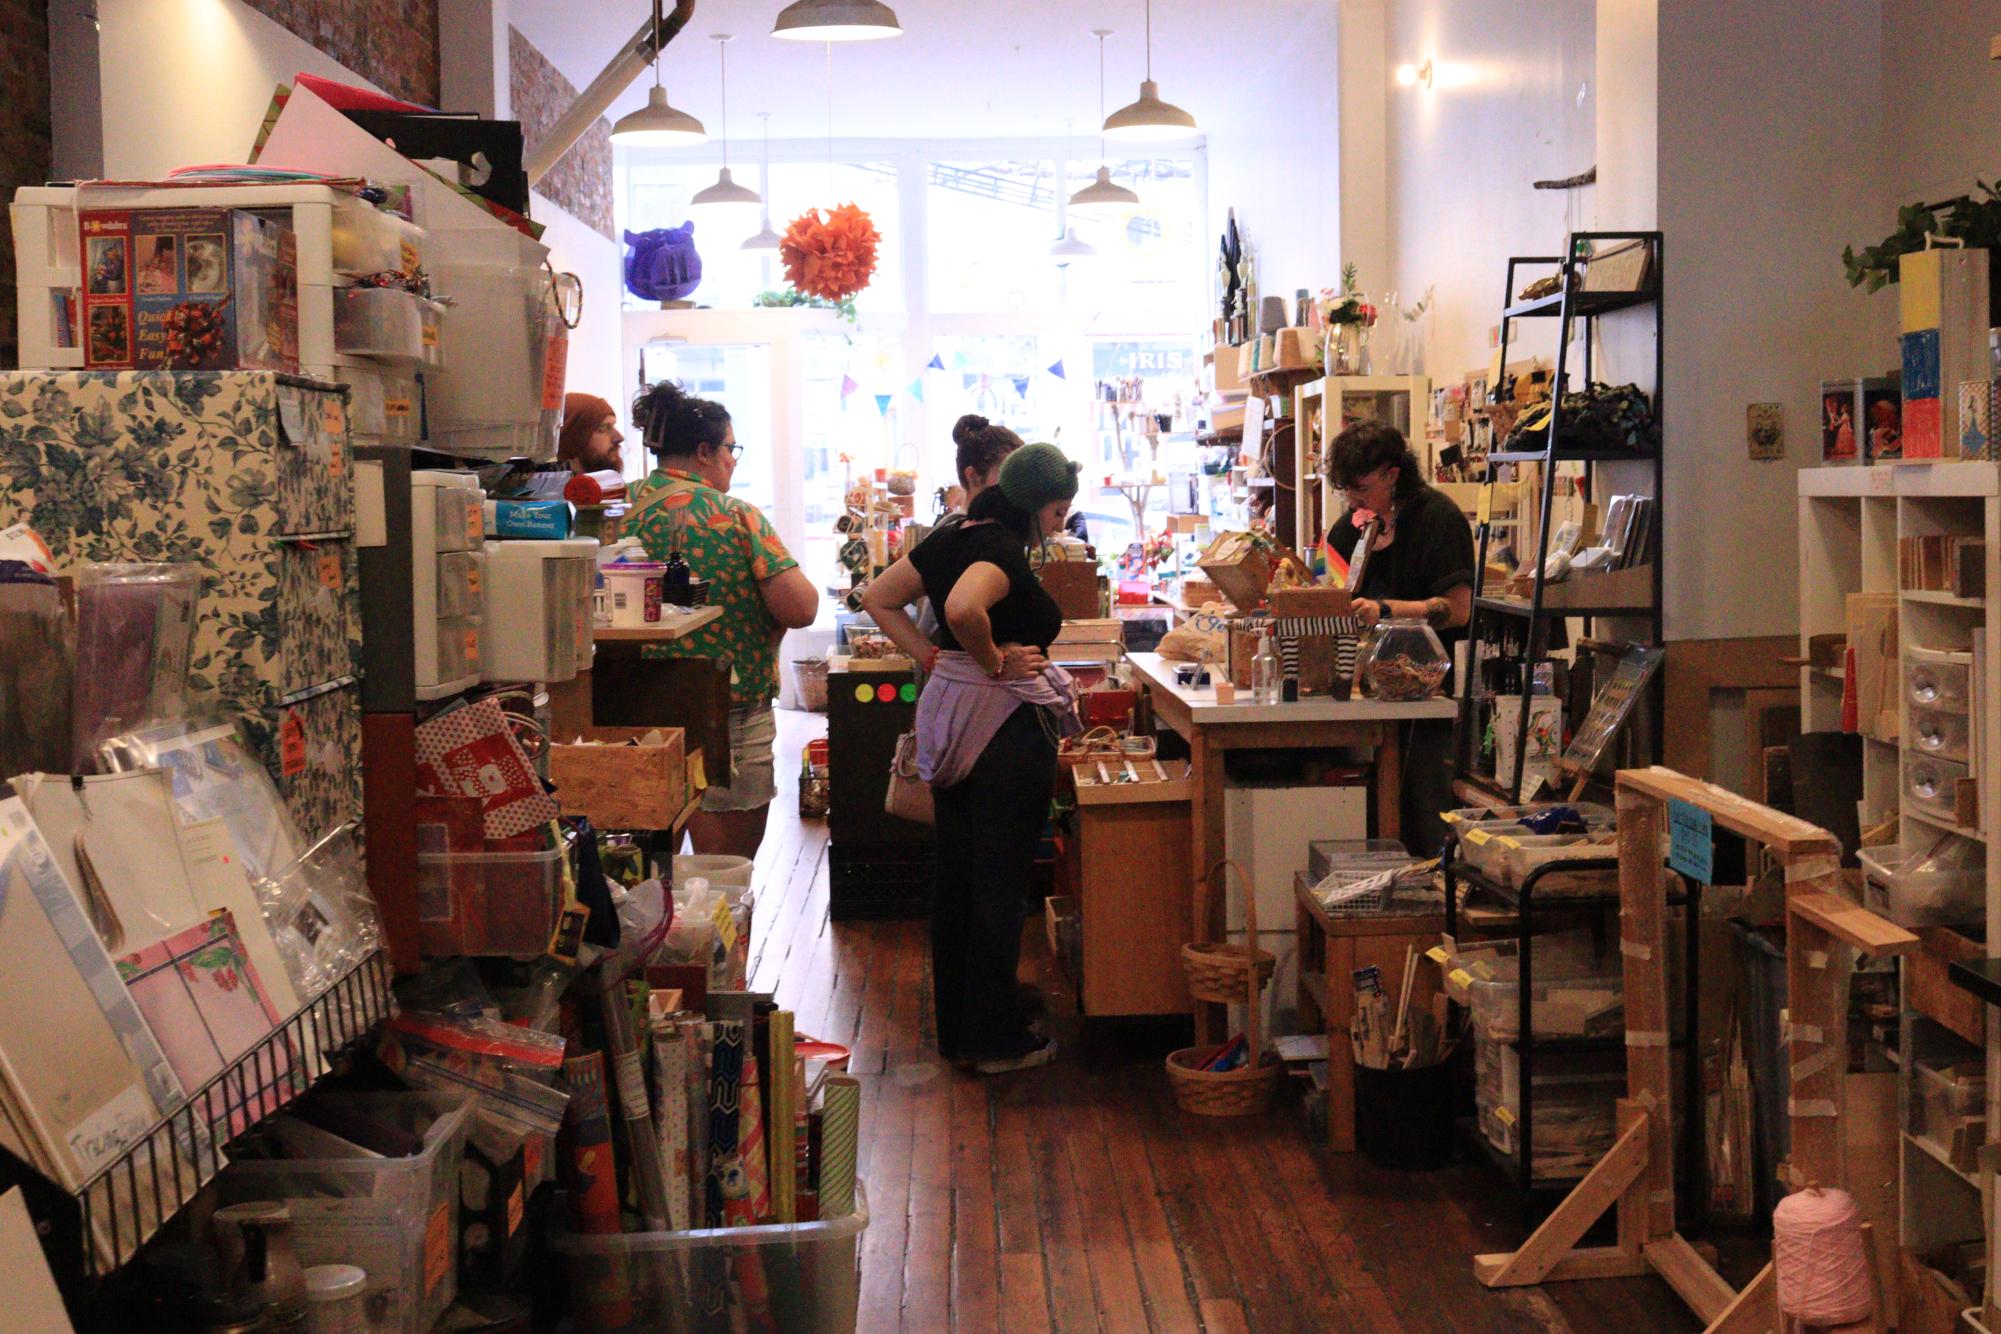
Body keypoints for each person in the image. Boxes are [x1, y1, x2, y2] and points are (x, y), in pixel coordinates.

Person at [862, 443, 1083, 1075]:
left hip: (951, 719)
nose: (1061, 520)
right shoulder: (1002, 549)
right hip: (1002, 730)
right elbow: (962, 608)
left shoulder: (952, 533)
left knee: (958, 878)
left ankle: (961, 1029)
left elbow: (878, 598)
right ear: (1041, 502)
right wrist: (991, 659)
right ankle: (994, 1040)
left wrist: (932, 659)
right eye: (1060, 507)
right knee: (1000, 883)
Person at [627, 382, 819, 859]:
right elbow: (802, 608)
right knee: (724, 879)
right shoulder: (734, 516)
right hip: (726, 710)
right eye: (731, 448)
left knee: (640, 880)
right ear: (704, 452)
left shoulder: (613, 509)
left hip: (627, 708)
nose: (734, 460)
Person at [1324, 420, 1475, 856]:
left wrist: (1384, 611)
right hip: (1363, 695)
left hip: (1426, 693)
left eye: (1362, 488)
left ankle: (1433, 908)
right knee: (1369, 813)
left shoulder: (1438, 521)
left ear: (1393, 474)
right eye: (1346, 491)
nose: (1354, 500)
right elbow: (1332, 594)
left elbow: (1458, 610)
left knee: (1424, 812)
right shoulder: (1350, 528)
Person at [559, 393, 627, 475]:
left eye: (613, 426)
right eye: (603, 428)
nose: (619, 437)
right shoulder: (554, 487)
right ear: (575, 439)